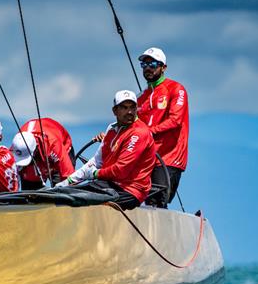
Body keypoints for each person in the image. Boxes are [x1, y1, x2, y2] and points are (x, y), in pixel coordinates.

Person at [62, 90, 156, 209]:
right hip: (110, 185)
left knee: (72, 197)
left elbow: (120, 170)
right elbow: (97, 161)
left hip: (129, 191)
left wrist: (95, 173)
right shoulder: (111, 129)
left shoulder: (139, 133)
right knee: (67, 191)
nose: (130, 112)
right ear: (115, 111)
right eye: (124, 108)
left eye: (133, 107)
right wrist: (69, 180)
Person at [136, 47, 189, 208]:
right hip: (148, 157)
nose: (147, 68)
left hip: (170, 157)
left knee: (158, 201)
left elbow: (176, 120)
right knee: (140, 199)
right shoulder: (141, 97)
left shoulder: (176, 89)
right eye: (144, 65)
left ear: (163, 67)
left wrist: (149, 132)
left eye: (152, 64)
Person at [9, 118, 75, 189]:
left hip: (59, 150)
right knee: (30, 194)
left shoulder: (53, 144)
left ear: (35, 149)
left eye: (27, 160)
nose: (26, 164)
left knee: (63, 189)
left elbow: (69, 177)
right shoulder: (16, 147)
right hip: (39, 153)